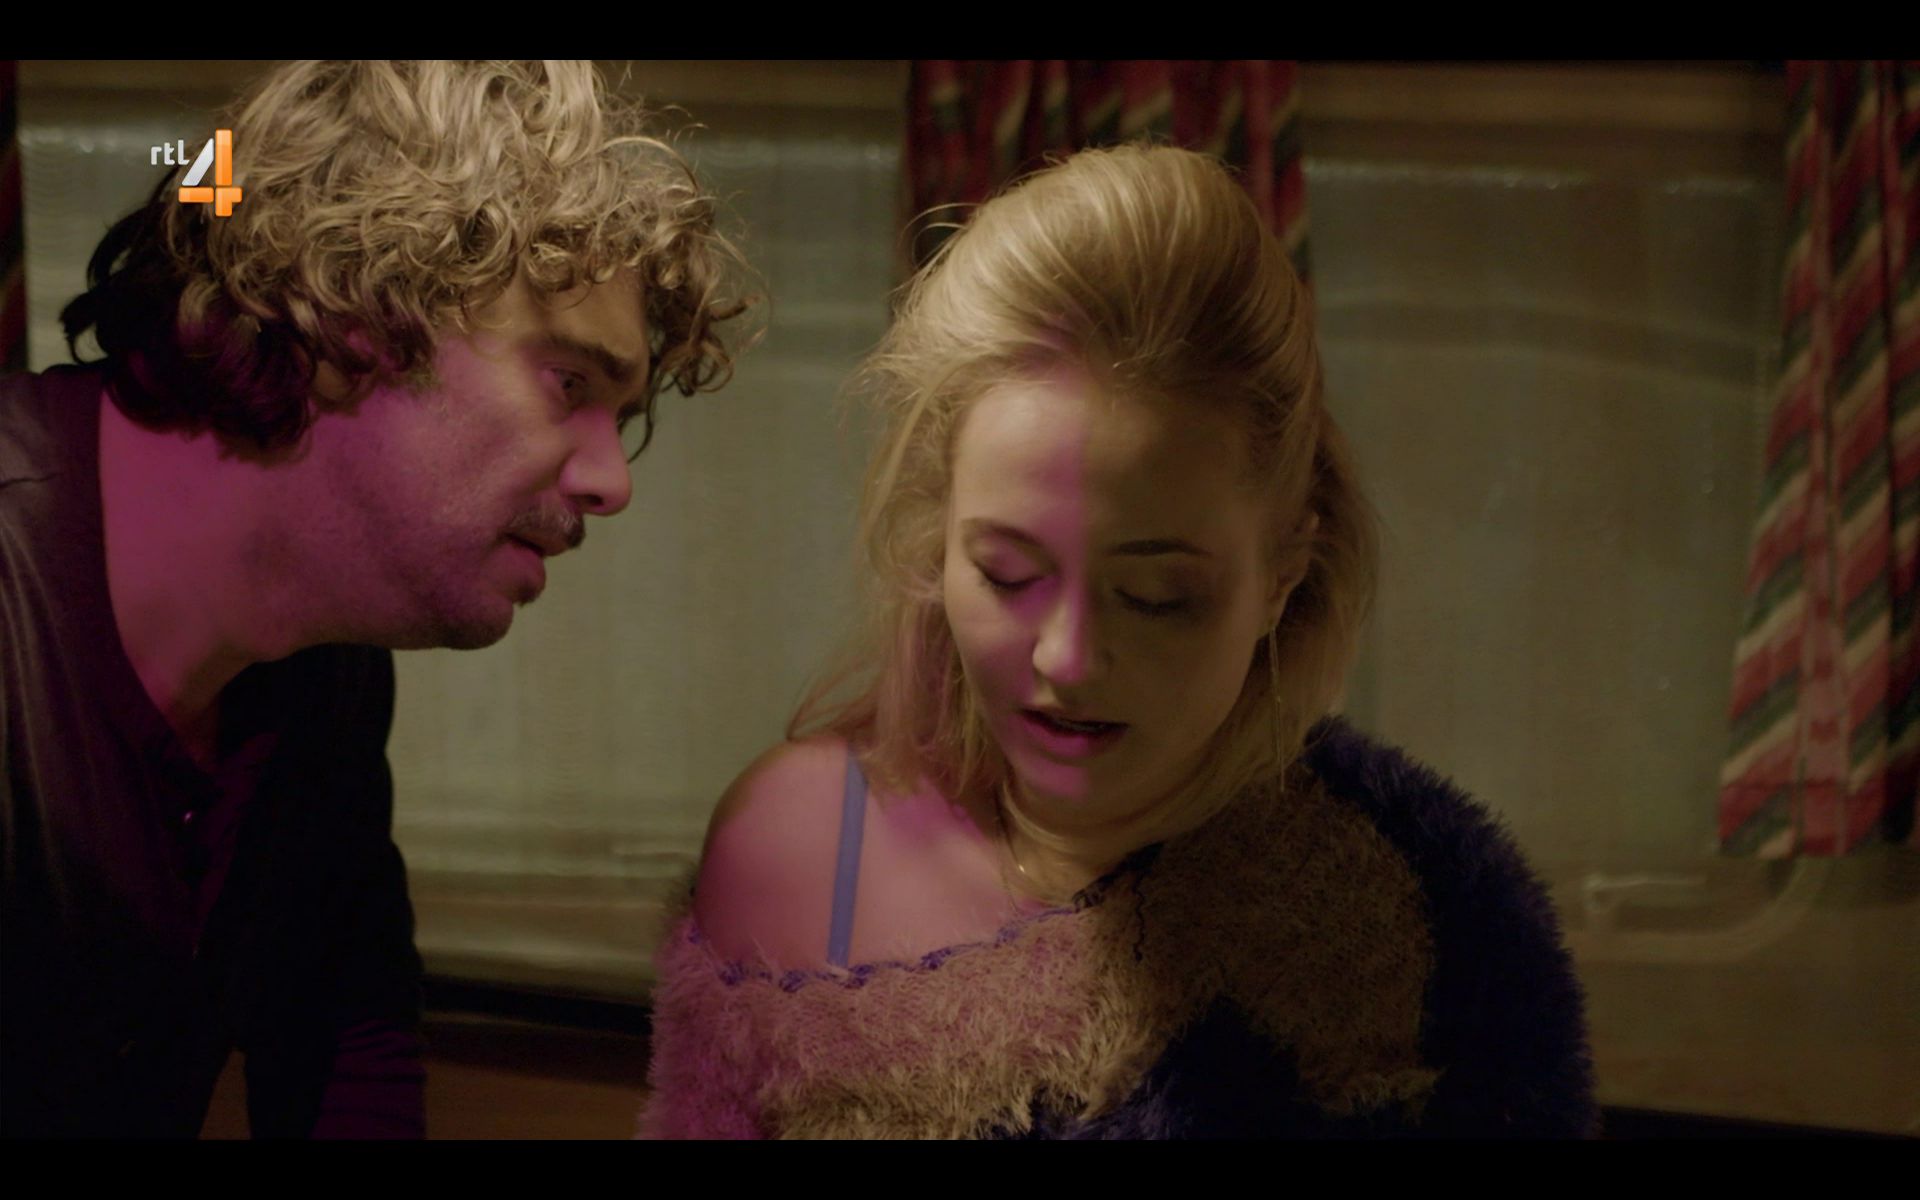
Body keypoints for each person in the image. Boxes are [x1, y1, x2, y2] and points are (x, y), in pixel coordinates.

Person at [639, 143, 1595, 1139]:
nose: (1068, 659)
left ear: (1283, 575)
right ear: (936, 537)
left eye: (1156, 596)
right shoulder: (793, 851)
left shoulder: (1423, 919)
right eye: (1008, 573)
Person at [0, 60, 750, 1138]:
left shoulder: (324, 667)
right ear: (352, 308)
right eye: (569, 383)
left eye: (619, 419)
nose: (611, 482)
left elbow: (348, 1035)